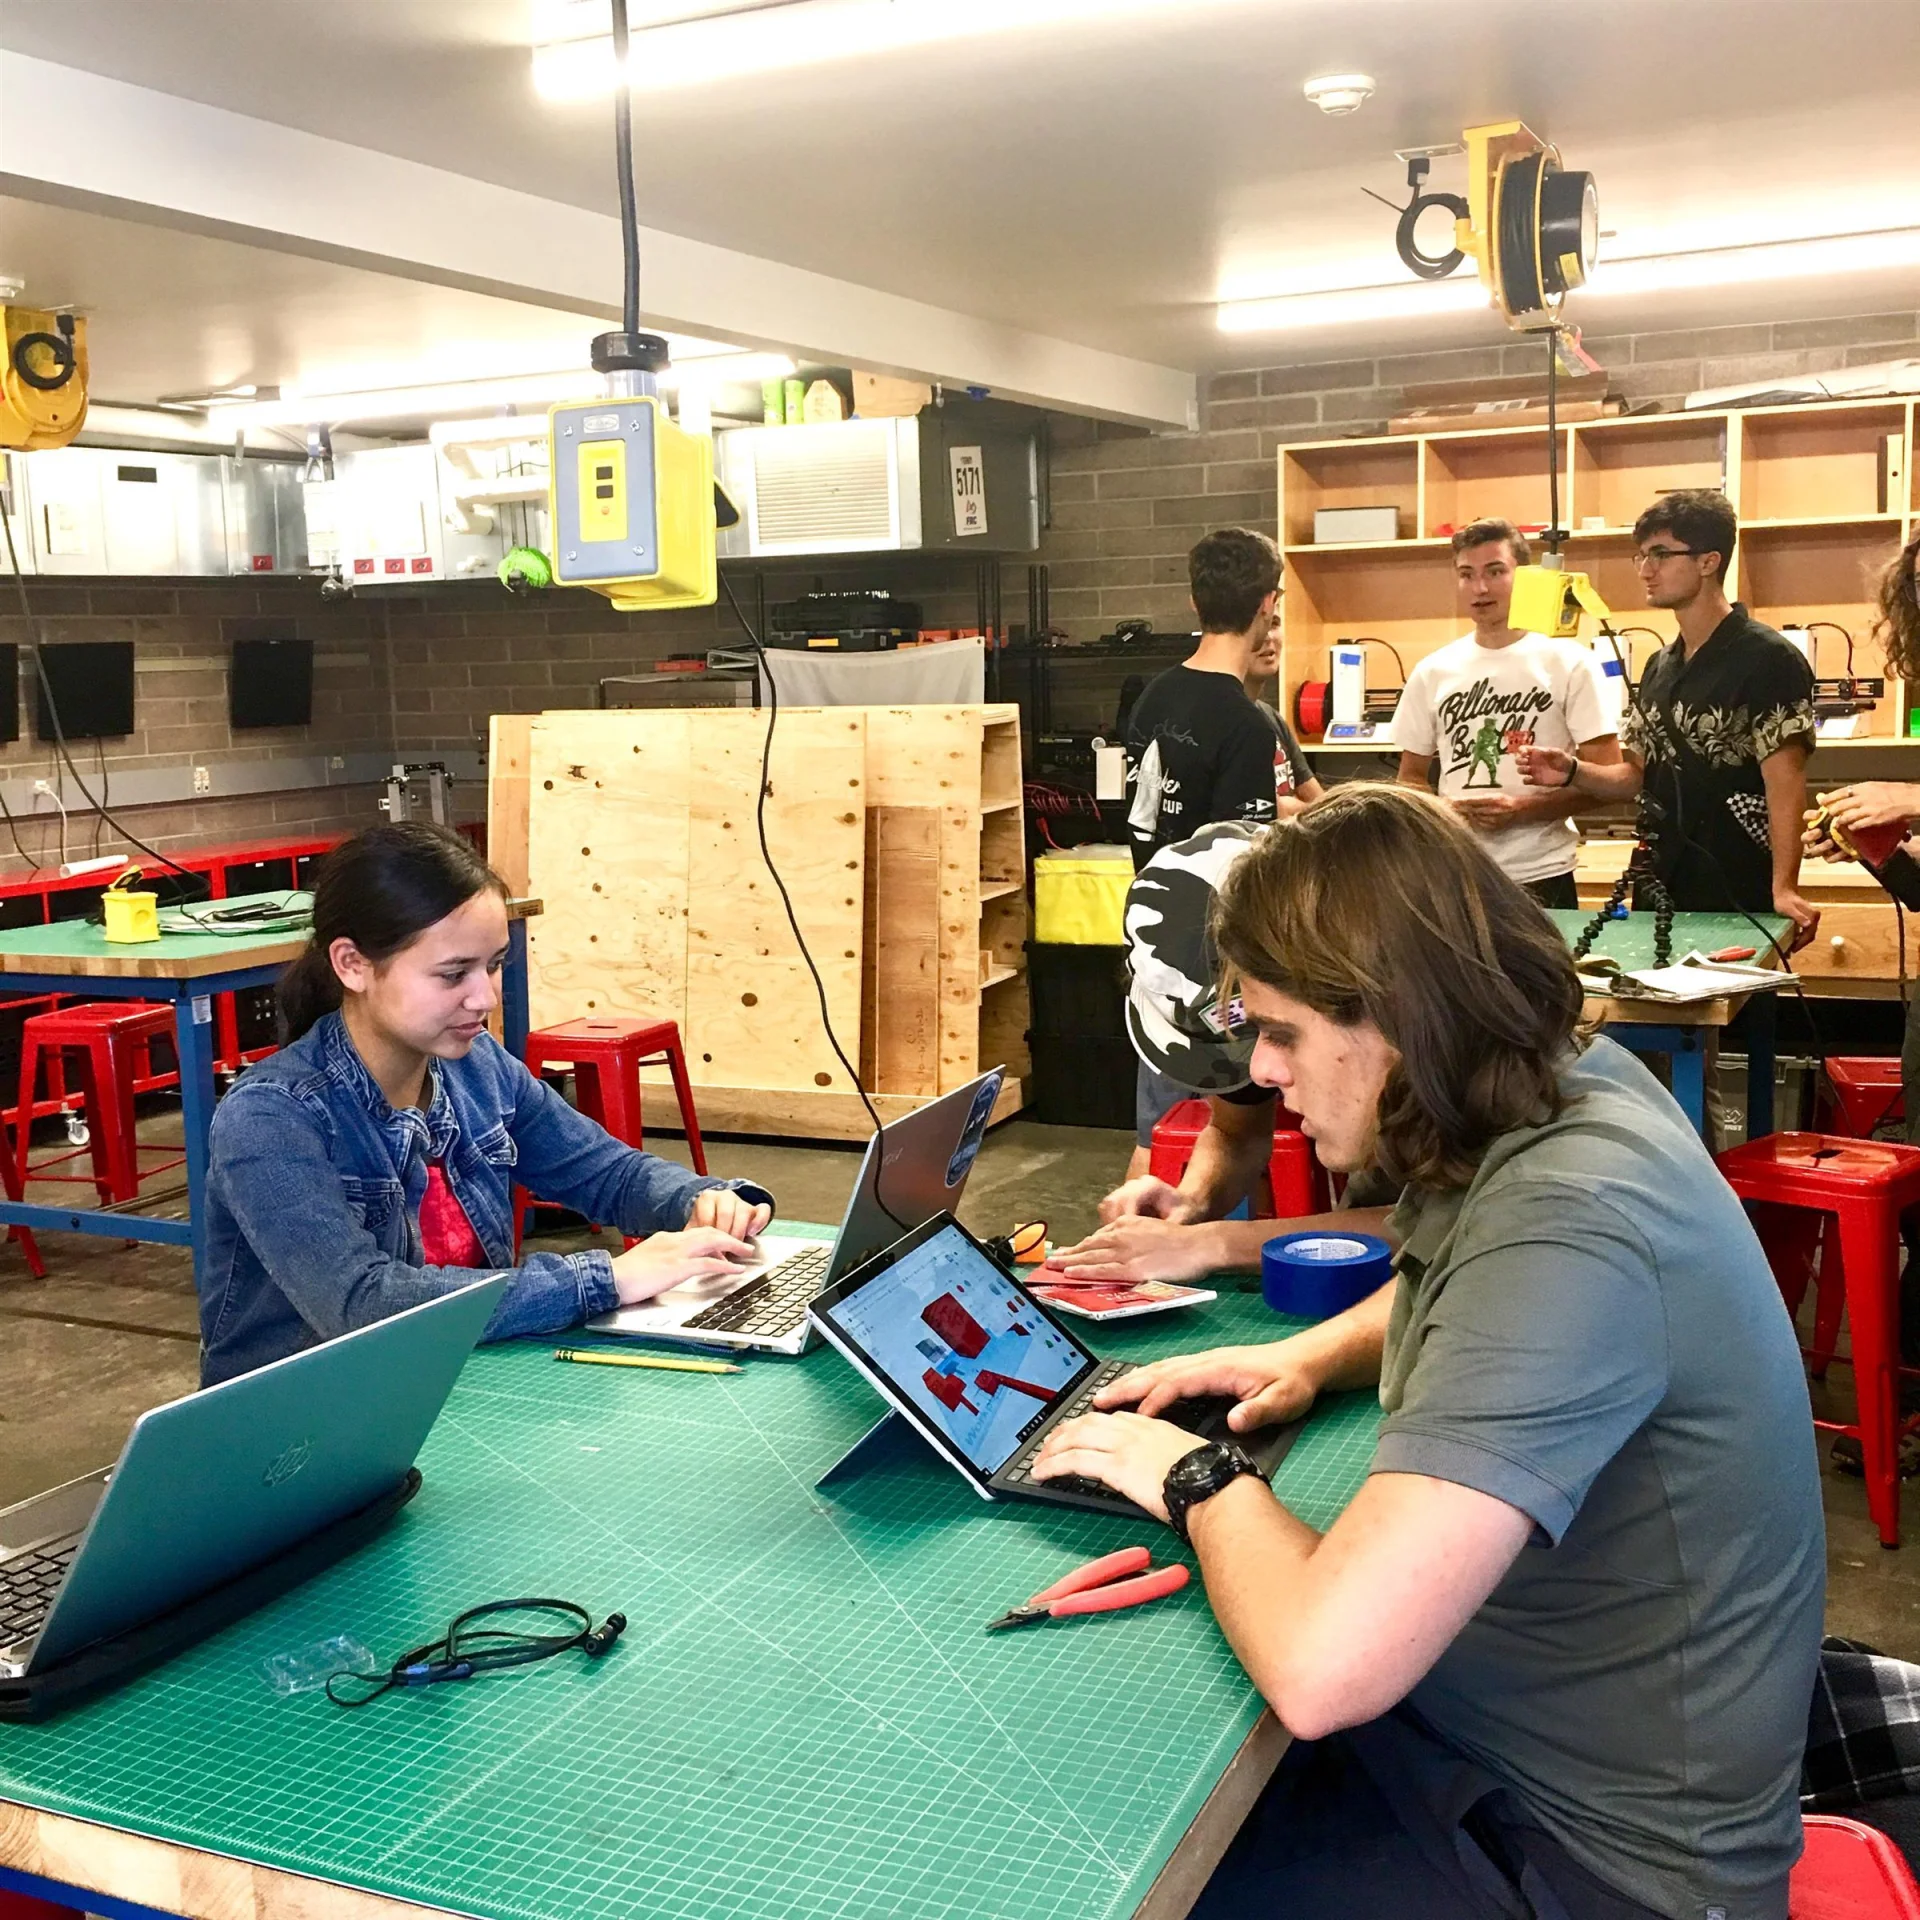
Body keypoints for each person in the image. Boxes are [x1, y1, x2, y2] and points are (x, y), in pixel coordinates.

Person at [1033, 784, 1825, 1920]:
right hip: (1489, 1746)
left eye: (1281, 1032)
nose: (1264, 1071)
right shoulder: (1559, 1096)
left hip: (1589, 1863)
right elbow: (1454, 1288)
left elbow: (1323, 1667)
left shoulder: (1570, 1220)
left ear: (1397, 1014)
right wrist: (1308, 1356)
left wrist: (1196, 1477)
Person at [200, 823, 775, 1386]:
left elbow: (607, 1172)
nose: (486, 997)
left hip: (454, 1378)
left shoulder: (475, 1066)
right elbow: (361, 1304)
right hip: (314, 1414)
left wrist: (704, 1202)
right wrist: (608, 1279)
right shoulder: (272, 1115)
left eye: (494, 964)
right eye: (453, 974)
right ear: (352, 964)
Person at [1054, 817, 1393, 1285]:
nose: (1260, 1070)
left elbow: (1449, 1232)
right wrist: (1190, 1203)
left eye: (1279, 1034)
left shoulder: (1473, 1052)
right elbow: (1236, 1133)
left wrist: (1214, 1243)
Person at [1519, 488, 1819, 942]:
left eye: (1660, 554)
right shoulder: (1660, 666)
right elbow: (1637, 777)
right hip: (1660, 882)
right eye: (1640, 556)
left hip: (1739, 885)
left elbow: (1786, 783)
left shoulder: (1768, 658)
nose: (1646, 569)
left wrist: (1785, 887)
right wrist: (1572, 772)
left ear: (1708, 561)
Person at [1393, 519, 1618, 909]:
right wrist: (1441, 812)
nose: (1480, 588)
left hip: (1543, 873)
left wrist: (1525, 811)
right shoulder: (1433, 671)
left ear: (1523, 576)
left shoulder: (1569, 662)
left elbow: (1609, 778)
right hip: (1459, 873)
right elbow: (1410, 777)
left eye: (1495, 572)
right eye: (1467, 574)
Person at [1123, 526, 1286, 871]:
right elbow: (1243, 871)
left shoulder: (1151, 697)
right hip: (1210, 906)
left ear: (1195, 602)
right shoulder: (1247, 727)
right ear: (1267, 604)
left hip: (1146, 897)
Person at [1245, 614, 1326, 822]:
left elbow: (1322, 806)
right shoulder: (1222, 720)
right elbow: (1266, 813)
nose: (1267, 636)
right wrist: (1295, 809)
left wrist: (1295, 808)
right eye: (1254, 625)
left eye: (1273, 624)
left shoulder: (1270, 715)